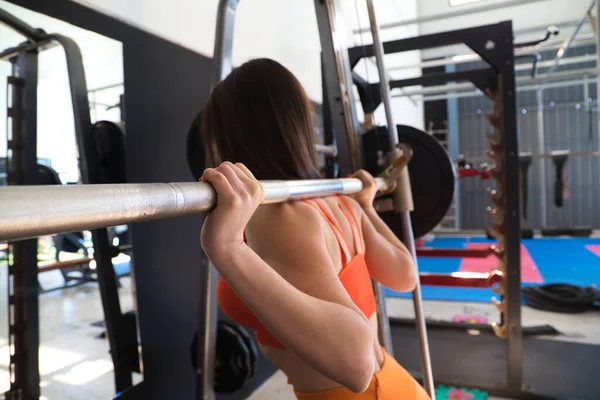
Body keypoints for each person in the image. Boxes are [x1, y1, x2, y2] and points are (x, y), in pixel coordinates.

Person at [197, 58, 430, 400]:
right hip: (398, 386)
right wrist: (366, 208)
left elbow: (356, 364)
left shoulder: (280, 216)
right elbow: (404, 274)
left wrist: (227, 247)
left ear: (227, 136)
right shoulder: (339, 198)